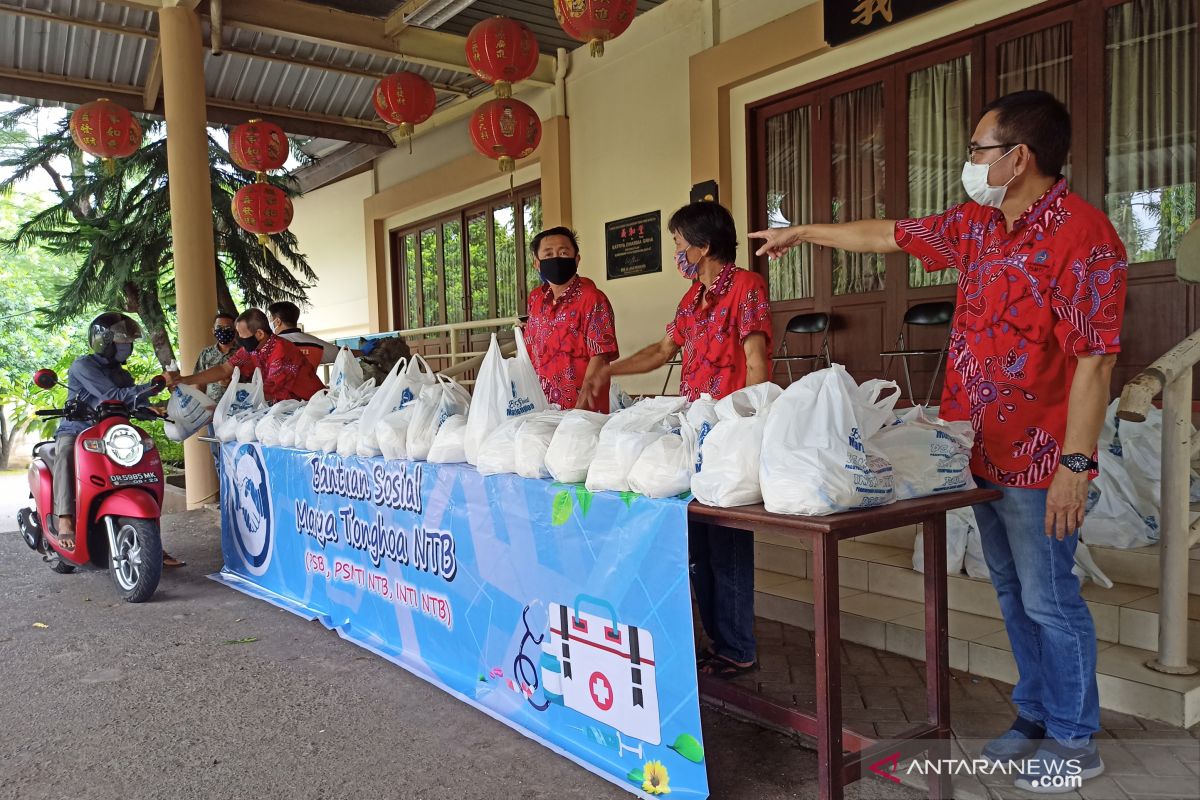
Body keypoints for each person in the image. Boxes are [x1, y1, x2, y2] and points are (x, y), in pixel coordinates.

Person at [749, 90, 1126, 792]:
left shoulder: (1085, 235)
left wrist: (1076, 465)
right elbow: (890, 234)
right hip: (976, 446)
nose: (969, 162)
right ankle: (1035, 716)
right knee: (1011, 591)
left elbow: (1095, 360)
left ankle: (1077, 740)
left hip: (1042, 455)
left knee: (1050, 598)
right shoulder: (977, 224)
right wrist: (804, 235)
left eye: (979, 149)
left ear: (1019, 157)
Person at [579, 201, 772, 679]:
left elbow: (756, 360)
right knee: (699, 542)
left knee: (727, 544)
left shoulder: (746, 287)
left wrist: (749, 426)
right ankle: (718, 641)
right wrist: (609, 368)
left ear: (704, 246)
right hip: (694, 431)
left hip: (730, 431)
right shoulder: (691, 300)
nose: (676, 252)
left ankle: (738, 647)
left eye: (680, 243)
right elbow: (663, 351)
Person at [53, 313, 184, 568]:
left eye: (129, 342)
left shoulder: (122, 374)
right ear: (105, 342)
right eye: (122, 341)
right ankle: (65, 518)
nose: (127, 347)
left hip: (111, 432)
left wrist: (154, 407)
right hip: (79, 429)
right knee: (66, 452)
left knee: (142, 458)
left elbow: (131, 399)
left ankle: (150, 541)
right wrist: (155, 386)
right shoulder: (83, 366)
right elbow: (110, 395)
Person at [523, 226, 619, 412]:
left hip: (582, 410)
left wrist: (579, 410)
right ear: (537, 263)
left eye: (563, 252)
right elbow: (530, 350)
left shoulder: (593, 299)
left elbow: (599, 357)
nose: (556, 258)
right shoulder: (535, 299)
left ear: (577, 259)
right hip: (541, 408)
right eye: (548, 254)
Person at [170, 308, 324, 404]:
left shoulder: (281, 350)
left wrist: (225, 404)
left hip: (310, 406)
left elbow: (268, 391)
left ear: (259, 333)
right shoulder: (253, 349)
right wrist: (184, 380)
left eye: (242, 335)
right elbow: (224, 369)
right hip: (287, 410)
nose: (239, 340)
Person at [195, 311, 238, 462]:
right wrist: (201, 406)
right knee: (218, 454)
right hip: (213, 411)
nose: (223, 331)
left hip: (237, 411)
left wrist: (233, 383)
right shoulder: (206, 354)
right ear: (213, 331)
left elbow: (253, 381)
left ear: (235, 330)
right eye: (219, 327)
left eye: (228, 328)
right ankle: (222, 485)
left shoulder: (242, 352)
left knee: (235, 453)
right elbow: (200, 383)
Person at [267, 301, 342, 364]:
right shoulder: (315, 343)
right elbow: (344, 353)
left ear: (278, 321)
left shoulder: (269, 346)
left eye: (270, 320)